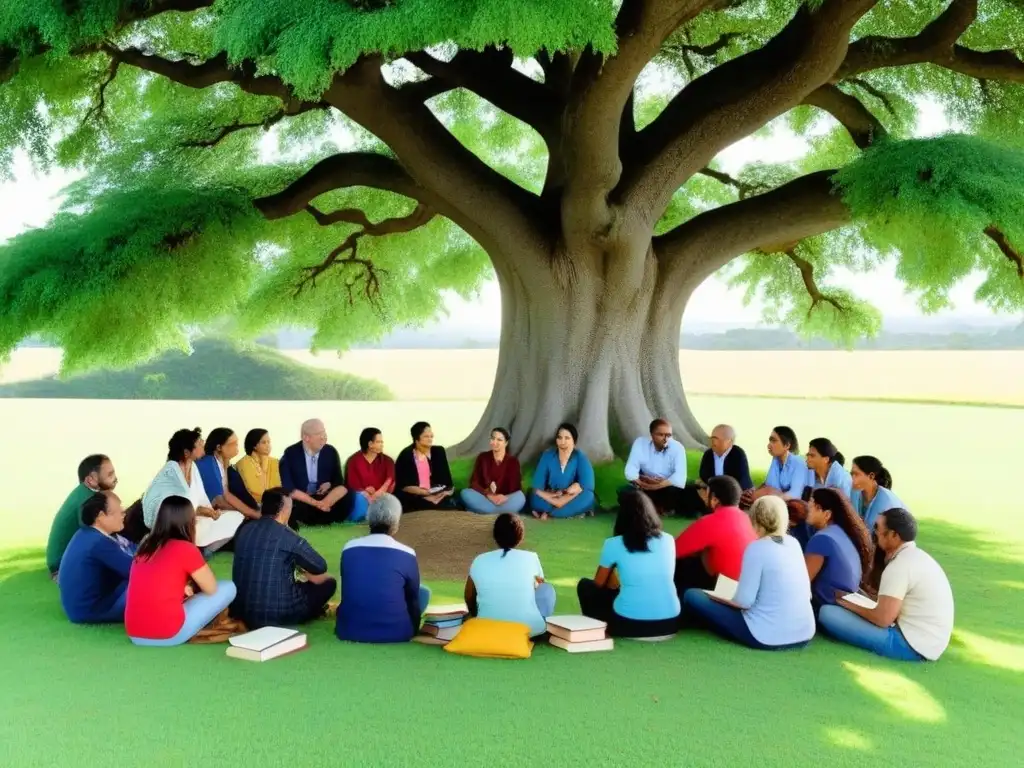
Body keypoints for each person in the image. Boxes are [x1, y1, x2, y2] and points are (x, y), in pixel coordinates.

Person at [819, 508, 954, 661]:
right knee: (855, 600)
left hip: (910, 645)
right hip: (928, 643)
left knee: (828, 613)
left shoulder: (900, 565)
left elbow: (883, 619)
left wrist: (846, 603)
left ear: (894, 535)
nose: (874, 532)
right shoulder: (916, 557)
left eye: (878, 528)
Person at [681, 496, 815, 650]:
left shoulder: (757, 548)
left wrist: (719, 597)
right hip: (804, 633)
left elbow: (744, 602)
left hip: (765, 635)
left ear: (755, 520)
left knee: (693, 595)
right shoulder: (794, 543)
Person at [124, 496, 238, 646]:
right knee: (228, 587)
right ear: (190, 522)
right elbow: (211, 588)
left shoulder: (144, 548)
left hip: (135, 633)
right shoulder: (186, 548)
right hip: (169, 633)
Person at [576, 489, 680, 637]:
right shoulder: (669, 540)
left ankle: (595, 628)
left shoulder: (613, 543)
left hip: (630, 625)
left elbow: (599, 583)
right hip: (670, 624)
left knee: (585, 586)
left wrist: (611, 569)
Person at [231, 489, 337, 629]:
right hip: (280, 612)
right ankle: (312, 613)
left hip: (241, 610)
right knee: (329, 582)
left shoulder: (244, 530)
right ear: (284, 510)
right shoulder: (287, 536)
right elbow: (320, 566)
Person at [335, 494, 431, 643]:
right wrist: (414, 628)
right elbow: (412, 597)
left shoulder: (349, 548)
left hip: (349, 630)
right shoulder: (407, 553)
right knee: (423, 592)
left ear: (369, 519)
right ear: (396, 524)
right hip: (398, 633)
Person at [465, 513, 555, 637]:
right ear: (521, 536)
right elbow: (539, 588)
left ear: (495, 535)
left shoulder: (479, 560)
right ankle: (539, 624)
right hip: (529, 630)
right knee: (547, 589)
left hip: (486, 628)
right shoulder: (531, 558)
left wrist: (475, 615)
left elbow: (469, 596)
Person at [672, 476, 756, 596]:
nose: (704, 498)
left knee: (681, 566)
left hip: (726, 593)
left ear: (715, 500)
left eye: (707, 494)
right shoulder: (746, 518)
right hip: (746, 590)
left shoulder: (709, 522)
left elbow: (673, 550)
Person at [58, 491, 132, 624]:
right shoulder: (99, 543)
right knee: (145, 580)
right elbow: (135, 570)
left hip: (78, 610)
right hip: (92, 612)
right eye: (117, 511)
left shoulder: (85, 534)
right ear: (101, 516)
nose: (123, 513)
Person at [46, 454, 118, 580]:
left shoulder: (85, 493)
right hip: (61, 565)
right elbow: (97, 536)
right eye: (109, 475)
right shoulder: (87, 501)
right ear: (91, 480)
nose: (115, 479)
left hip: (62, 559)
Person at [804, 488, 872, 614]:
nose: (808, 507)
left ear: (827, 514)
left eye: (814, 505)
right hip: (849, 601)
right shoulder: (840, 532)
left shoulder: (821, 539)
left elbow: (803, 581)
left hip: (831, 606)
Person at [142, 428, 218, 530]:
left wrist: (209, 511)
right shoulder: (171, 470)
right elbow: (174, 508)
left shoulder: (192, 466)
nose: (203, 444)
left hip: (186, 520)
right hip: (167, 526)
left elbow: (194, 501)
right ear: (186, 452)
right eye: (199, 443)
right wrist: (204, 511)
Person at [280, 419, 348, 527]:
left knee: (346, 493)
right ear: (306, 437)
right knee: (289, 501)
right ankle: (321, 512)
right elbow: (288, 488)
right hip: (302, 499)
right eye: (318, 434)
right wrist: (315, 503)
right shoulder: (290, 453)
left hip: (324, 498)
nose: (323, 437)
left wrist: (329, 485)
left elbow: (340, 482)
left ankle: (323, 509)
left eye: (324, 432)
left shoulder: (330, 451)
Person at [529, 423, 597, 519]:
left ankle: (549, 513)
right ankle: (561, 512)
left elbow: (588, 485)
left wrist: (568, 493)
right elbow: (537, 484)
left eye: (567, 438)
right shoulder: (547, 455)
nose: (562, 442)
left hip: (572, 497)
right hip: (551, 495)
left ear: (574, 441)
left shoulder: (580, 457)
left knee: (588, 496)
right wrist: (551, 496)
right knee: (534, 496)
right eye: (559, 438)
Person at [623, 418, 688, 516]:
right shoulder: (640, 443)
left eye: (668, 435)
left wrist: (657, 485)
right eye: (661, 435)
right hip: (644, 484)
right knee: (624, 491)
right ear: (652, 435)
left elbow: (680, 477)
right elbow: (630, 469)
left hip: (666, 485)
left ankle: (653, 507)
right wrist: (642, 482)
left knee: (680, 492)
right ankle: (653, 507)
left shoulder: (678, 448)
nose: (665, 439)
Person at [195, 428, 259, 520]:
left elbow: (227, 495)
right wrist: (251, 513)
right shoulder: (209, 463)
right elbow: (218, 502)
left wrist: (251, 512)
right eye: (233, 444)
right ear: (219, 447)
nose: (237, 446)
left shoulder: (222, 465)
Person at [460, 427, 526, 515]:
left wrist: (502, 497)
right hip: (485, 497)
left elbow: (515, 487)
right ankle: (501, 512)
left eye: (499, 440)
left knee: (520, 497)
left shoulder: (513, 461)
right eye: (493, 438)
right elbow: (474, 482)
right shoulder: (483, 457)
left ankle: (482, 510)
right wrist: (489, 495)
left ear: (506, 443)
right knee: (465, 493)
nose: (495, 442)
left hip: (504, 499)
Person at [394, 421, 457, 512]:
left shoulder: (438, 451)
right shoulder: (406, 455)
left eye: (431, 436)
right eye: (426, 436)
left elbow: (447, 481)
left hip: (437, 493)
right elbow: (403, 486)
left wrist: (442, 493)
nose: (430, 439)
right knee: (409, 501)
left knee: (450, 502)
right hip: (416, 494)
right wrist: (425, 493)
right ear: (416, 438)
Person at [741, 426, 807, 508]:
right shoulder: (776, 459)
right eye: (770, 440)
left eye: (774, 441)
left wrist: (764, 501)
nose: (769, 445)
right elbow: (769, 485)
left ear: (787, 445)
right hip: (780, 501)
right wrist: (753, 493)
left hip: (796, 505)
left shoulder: (798, 462)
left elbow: (795, 493)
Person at [344, 427, 397, 523]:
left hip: (382, 495)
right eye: (379, 442)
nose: (382, 445)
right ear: (370, 444)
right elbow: (352, 483)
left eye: (382, 442)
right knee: (360, 499)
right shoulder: (353, 460)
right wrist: (366, 493)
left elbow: (389, 480)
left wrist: (377, 494)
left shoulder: (388, 461)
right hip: (361, 495)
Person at [849, 455, 902, 529]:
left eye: (856, 474)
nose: (851, 478)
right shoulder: (854, 492)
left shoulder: (888, 502)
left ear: (871, 476)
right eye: (851, 474)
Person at [235, 428, 283, 505]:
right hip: (254, 506)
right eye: (264, 442)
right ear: (254, 446)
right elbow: (253, 491)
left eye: (269, 442)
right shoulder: (244, 463)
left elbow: (279, 487)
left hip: (275, 503)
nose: (268, 446)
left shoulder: (274, 462)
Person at [699, 425, 754, 490]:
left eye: (715, 439)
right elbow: (703, 475)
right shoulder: (708, 454)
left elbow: (741, 480)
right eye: (711, 439)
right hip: (714, 490)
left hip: (736, 492)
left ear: (729, 441)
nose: (712, 442)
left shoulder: (738, 454)